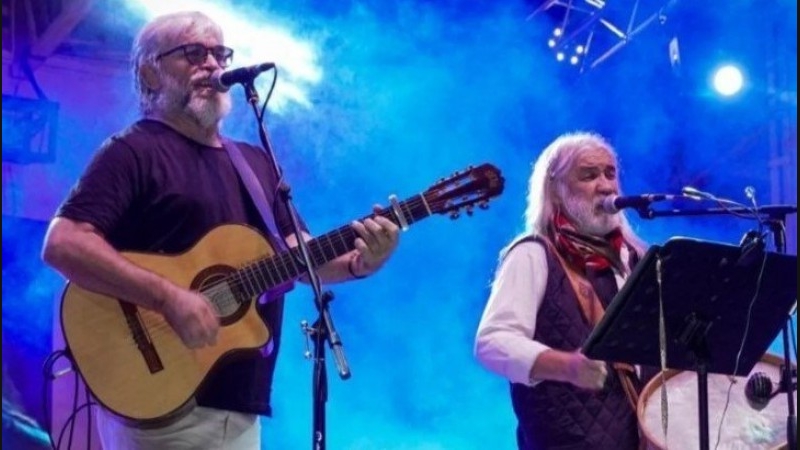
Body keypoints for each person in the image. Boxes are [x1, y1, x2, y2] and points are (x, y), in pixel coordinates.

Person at [41, 10, 399, 450]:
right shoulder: (132, 151)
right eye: (193, 53)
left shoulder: (254, 163)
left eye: (219, 53)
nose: (212, 64)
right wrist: (168, 297)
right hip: (161, 399)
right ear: (150, 72)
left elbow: (298, 252)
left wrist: (362, 261)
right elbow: (64, 242)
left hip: (240, 403)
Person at [474, 132, 651, 450]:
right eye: (589, 175)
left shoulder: (635, 260)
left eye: (610, 173)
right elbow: (491, 343)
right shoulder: (532, 254)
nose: (606, 186)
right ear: (556, 190)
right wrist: (567, 366)